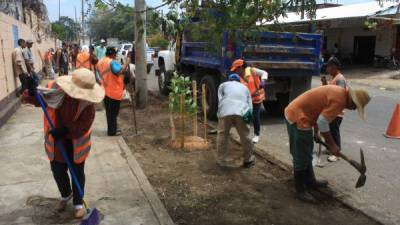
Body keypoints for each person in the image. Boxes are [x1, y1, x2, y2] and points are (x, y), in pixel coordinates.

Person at [22, 68, 105, 218]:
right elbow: (38, 100)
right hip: (56, 141)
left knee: (77, 172)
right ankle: (66, 195)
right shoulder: (54, 88)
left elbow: (84, 124)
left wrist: (65, 131)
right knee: (58, 170)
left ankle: (78, 203)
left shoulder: (88, 104)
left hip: (76, 141)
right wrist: (31, 91)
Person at [284, 85, 371, 203]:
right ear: (352, 99)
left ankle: (310, 181)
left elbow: (317, 110)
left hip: (304, 115)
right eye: (356, 106)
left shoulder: (339, 93)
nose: (354, 109)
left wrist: (316, 132)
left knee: (307, 152)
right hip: (298, 117)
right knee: (301, 155)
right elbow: (322, 121)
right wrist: (332, 145)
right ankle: (300, 190)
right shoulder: (340, 100)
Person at [216, 73, 255, 168]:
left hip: (225, 112)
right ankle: (248, 160)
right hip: (241, 112)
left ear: (229, 80)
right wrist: (248, 118)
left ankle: (221, 160)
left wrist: (220, 114)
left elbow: (220, 100)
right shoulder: (245, 87)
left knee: (222, 135)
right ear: (239, 80)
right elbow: (250, 104)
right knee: (245, 136)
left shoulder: (223, 85)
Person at [230, 59, 268, 144]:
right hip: (246, 99)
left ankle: (256, 135)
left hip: (256, 98)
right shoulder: (238, 77)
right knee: (244, 117)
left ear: (241, 67)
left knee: (255, 116)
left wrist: (263, 80)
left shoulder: (252, 70)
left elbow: (264, 73)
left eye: (236, 69)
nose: (235, 71)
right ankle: (244, 136)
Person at [96, 47, 130, 136]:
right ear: (113, 54)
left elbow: (99, 73)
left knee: (109, 112)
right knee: (114, 113)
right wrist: (126, 63)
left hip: (105, 90)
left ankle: (111, 130)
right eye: (115, 55)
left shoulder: (100, 62)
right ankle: (112, 131)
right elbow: (119, 72)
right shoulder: (112, 62)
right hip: (114, 92)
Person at [324, 57, 346, 162]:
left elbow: (339, 95)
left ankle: (337, 153)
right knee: (331, 131)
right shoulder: (334, 78)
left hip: (336, 112)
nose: (327, 69)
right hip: (331, 111)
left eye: (328, 66)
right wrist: (324, 84)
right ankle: (331, 148)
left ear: (334, 67)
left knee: (334, 132)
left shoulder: (340, 79)